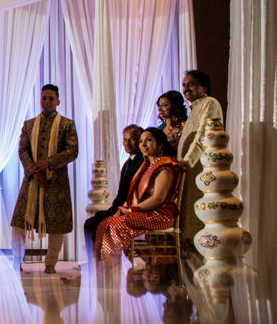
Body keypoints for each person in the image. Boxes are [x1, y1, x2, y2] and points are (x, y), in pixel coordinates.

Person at [10, 84, 79, 274]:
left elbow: (72, 152)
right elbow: (23, 150)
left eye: (51, 99)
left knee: (56, 225)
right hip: (32, 180)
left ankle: (50, 263)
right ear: (39, 100)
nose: (47, 102)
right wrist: (34, 171)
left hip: (56, 183)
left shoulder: (67, 124)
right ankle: (18, 260)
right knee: (19, 222)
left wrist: (47, 163)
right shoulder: (29, 124)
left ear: (58, 101)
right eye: (44, 98)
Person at [94, 127, 183, 262]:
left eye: (149, 140)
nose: (143, 145)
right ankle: (108, 267)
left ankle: (124, 265)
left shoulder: (165, 166)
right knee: (105, 223)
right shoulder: (148, 165)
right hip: (147, 212)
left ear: (160, 145)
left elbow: (158, 198)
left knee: (116, 225)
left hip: (161, 215)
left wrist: (130, 210)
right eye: (141, 141)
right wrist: (125, 209)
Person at [176, 70, 223, 251]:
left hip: (201, 168)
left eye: (192, 84)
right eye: (184, 84)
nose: (186, 88)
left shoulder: (210, 103)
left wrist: (188, 161)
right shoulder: (195, 107)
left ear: (204, 87)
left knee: (200, 215)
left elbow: (203, 135)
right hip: (189, 170)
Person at [83, 124, 144, 262]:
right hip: (120, 206)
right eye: (125, 139)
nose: (127, 143)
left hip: (132, 209)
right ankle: (95, 261)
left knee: (92, 224)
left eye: (132, 139)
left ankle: (99, 262)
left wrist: (120, 210)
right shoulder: (128, 163)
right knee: (92, 222)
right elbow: (121, 193)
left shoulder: (142, 162)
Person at [155, 90, 187, 156]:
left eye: (165, 105)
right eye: (159, 105)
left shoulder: (184, 127)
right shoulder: (159, 129)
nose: (159, 109)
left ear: (175, 106)